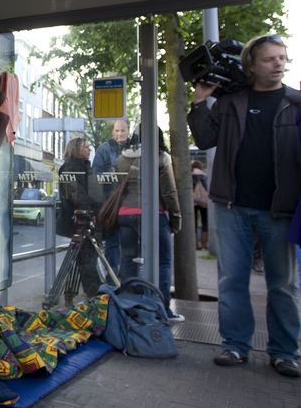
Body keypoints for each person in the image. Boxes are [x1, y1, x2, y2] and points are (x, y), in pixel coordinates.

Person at [187, 33, 301, 377]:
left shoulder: (296, 103)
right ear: (251, 63)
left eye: (282, 57)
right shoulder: (231, 100)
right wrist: (199, 102)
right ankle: (235, 345)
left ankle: (284, 352)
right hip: (232, 206)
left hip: (279, 209)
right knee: (231, 280)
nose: (278, 63)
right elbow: (205, 139)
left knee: (282, 284)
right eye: (270, 59)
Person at [114, 128, 183, 322]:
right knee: (163, 261)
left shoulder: (122, 158)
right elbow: (169, 192)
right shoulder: (161, 158)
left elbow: (119, 185)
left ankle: (130, 308)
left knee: (128, 260)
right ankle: (162, 310)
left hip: (125, 214)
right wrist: (175, 219)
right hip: (153, 214)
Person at [57, 137, 103, 300]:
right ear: (76, 149)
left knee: (86, 256)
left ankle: (92, 292)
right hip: (80, 220)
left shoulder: (82, 167)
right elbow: (76, 195)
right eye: (86, 147)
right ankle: (94, 293)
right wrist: (93, 210)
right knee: (87, 257)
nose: (89, 150)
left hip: (86, 218)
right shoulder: (71, 168)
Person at [93, 118, 129, 270]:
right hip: (111, 203)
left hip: (129, 201)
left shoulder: (135, 148)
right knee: (112, 243)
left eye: (123, 130)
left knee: (129, 244)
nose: (120, 134)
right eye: (117, 130)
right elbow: (96, 175)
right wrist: (111, 172)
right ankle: (113, 279)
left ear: (128, 130)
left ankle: (128, 279)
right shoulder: (104, 149)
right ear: (112, 132)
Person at [191, 160, 209, 250]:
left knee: (193, 223)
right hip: (204, 202)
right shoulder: (205, 176)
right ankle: (204, 244)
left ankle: (195, 245)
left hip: (193, 202)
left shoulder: (190, 175)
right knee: (205, 222)